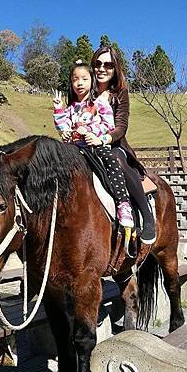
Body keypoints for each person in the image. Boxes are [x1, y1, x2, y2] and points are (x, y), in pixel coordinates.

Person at [85, 46, 156, 244]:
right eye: (98, 64)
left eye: (108, 65)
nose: (101, 68)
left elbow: (121, 126)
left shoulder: (120, 93)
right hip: (84, 144)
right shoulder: (84, 88)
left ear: (115, 68)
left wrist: (104, 139)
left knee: (116, 158)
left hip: (113, 144)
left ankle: (146, 216)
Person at [53, 62, 133, 228]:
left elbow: (109, 124)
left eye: (84, 79)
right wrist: (60, 114)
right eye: (75, 79)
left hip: (95, 146)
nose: (79, 83)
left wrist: (92, 132)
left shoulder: (99, 103)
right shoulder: (70, 108)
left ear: (92, 81)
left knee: (111, 161)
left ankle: (123, 203)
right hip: (74, 148)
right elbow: (63, 126)